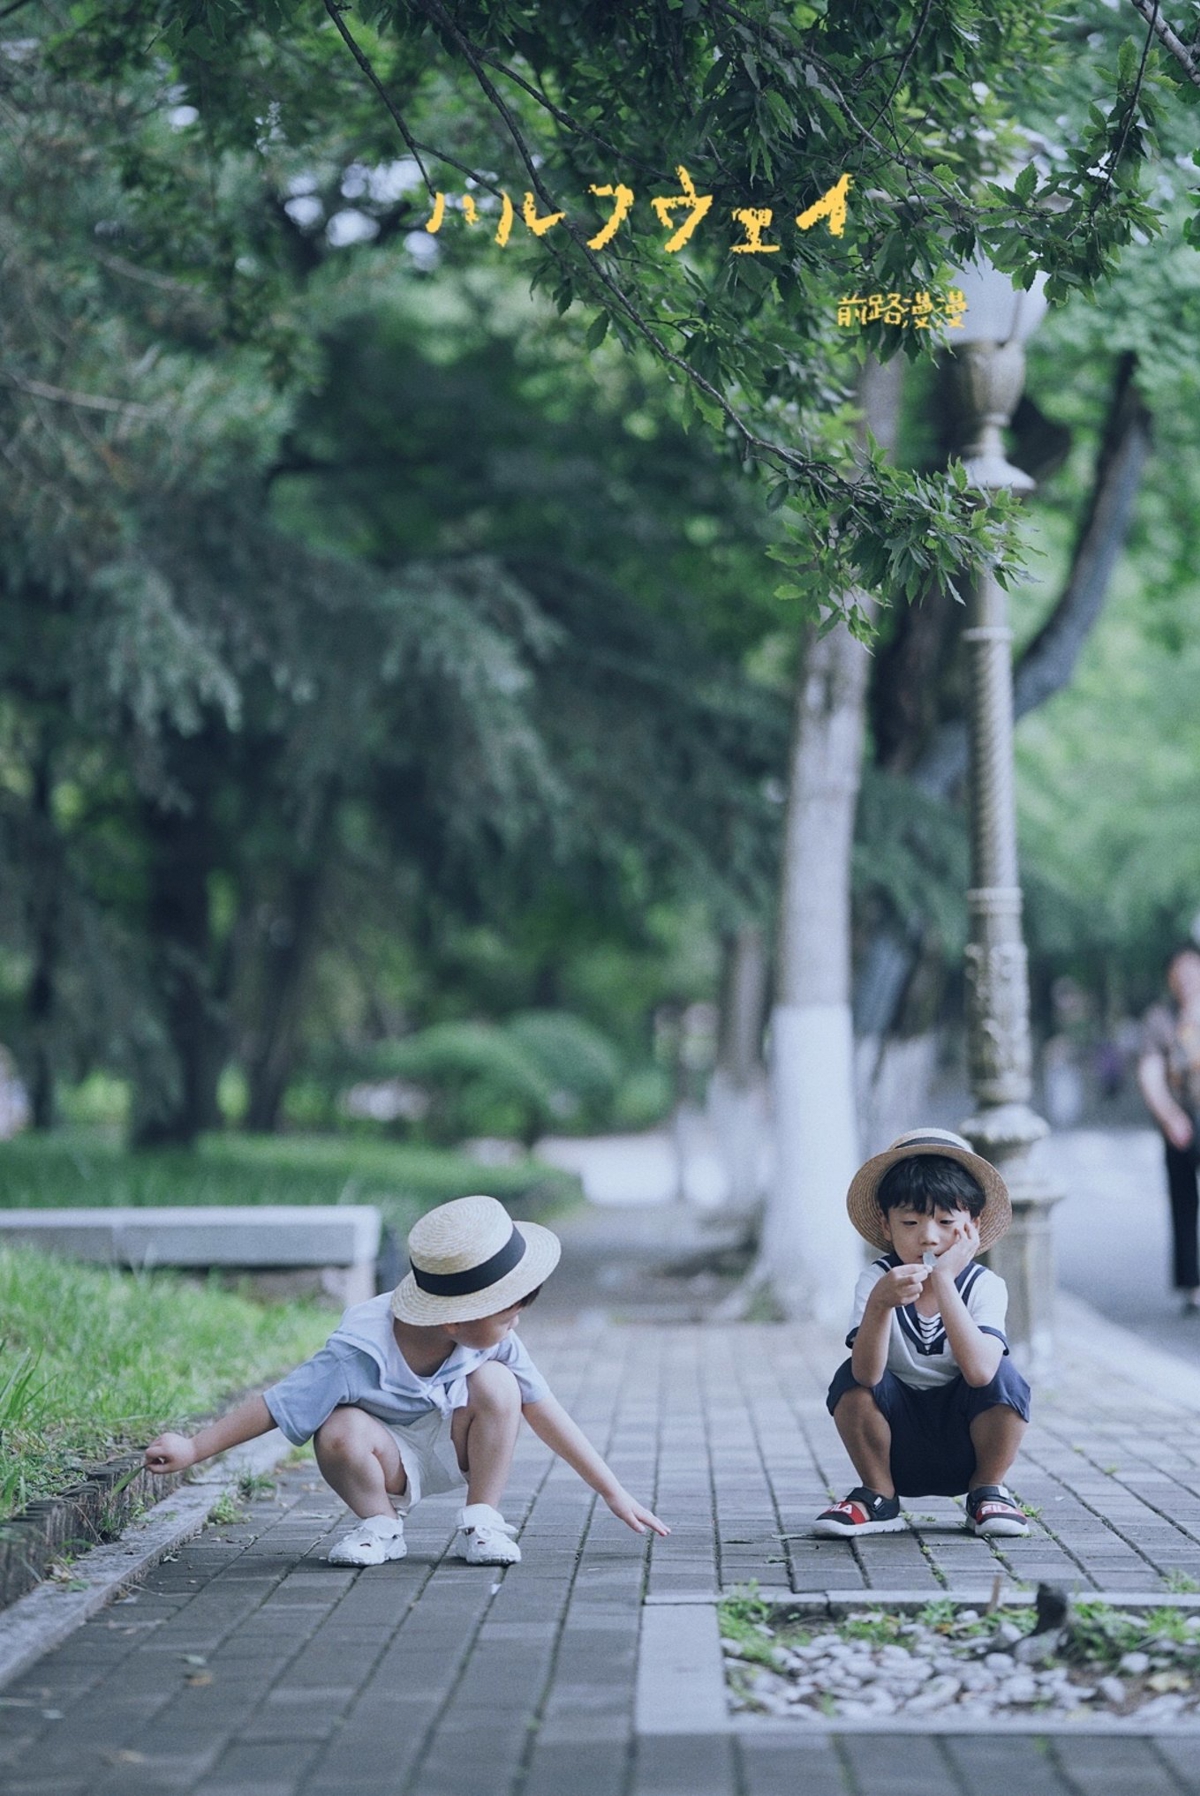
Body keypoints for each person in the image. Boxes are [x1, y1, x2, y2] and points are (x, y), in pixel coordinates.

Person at [145, 1194, 668, 1566]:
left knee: (499, 1383)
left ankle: (481, 1520)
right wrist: (193, 1449)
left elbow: (545, 1409)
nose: (515, 1325)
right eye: (507, 1315)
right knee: (337, 1428)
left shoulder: (493, 1343)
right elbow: (276, 1406)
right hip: (389, 1459)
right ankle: (381, 1526)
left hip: (460, 1444)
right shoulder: (359, 1351)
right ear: (454, 1320)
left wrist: (612, 1491)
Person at [813, 1128, 1031, 1541]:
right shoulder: (877, 1281)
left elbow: (981, 1373)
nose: (928, 1237)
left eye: (946, 1222)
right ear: (886, 1224)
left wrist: (945, 1281)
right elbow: (867, 1375)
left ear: (972, 1227)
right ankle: (878, 1496)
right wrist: (880, 1305)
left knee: (1005, 1376)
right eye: (910, 1222)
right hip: (895, 1447)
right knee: (849, 1380)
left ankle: (988, 1491)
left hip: (968, 1444)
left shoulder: (984, 1286)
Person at [1137, 944, 1200, 1315]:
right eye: (1180, 973)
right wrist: (1168, 1116)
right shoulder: (1161, 1019)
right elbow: (1150, 1071)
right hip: (1182, 1117)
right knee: (1183, 1199)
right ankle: (1192, 1282)